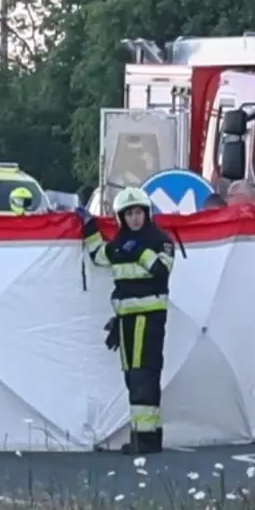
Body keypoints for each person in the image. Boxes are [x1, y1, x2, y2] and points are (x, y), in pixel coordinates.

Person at [82, 187, 173, 454]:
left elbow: (161, 268)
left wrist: (140, 250)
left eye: (139, 213)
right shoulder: (121, 242)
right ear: (122, 218)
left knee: (143, 376)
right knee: (132, 378)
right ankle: (145, 437)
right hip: (126, 320)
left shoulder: (159, 240)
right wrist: (89, 227)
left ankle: (144, 442)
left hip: (149, 318)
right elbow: (100, 255)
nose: (135, 218)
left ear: (147, 214)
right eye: (129, 214)